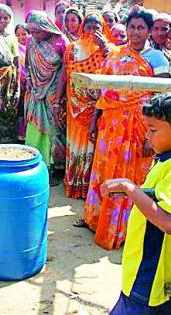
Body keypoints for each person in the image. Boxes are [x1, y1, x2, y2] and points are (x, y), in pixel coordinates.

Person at [82, 10, 170, 250]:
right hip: (110, 125)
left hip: (140, 126)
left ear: (149, 31)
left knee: (131, 174)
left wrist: (152, 137)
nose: (135, 32)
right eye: (132, 27)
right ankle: (96, 219)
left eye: (141, 27)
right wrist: (94, 121)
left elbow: (161, 101)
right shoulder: (116, 54)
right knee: (103, 169)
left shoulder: (157, 59)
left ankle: (121, 228)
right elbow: (104, 92)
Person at [103, 93, 171, 314]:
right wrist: (133, 192)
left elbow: (168, 222)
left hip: (149, 272)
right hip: (147, 269)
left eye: (153, 130)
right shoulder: (163, 159)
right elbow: (159, 197)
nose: (147, 135)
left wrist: (130, 188)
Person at [64, 14, 112, 200]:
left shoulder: (110, 50)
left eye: (96, 26)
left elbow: (111, 75)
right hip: (74, 107)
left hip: (96, 109)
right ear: (83, 28)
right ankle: (74, 183)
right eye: (88, 26)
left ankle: (88, 188)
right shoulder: (72, 49)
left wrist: (104, 48)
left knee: (93, 147)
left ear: (103, 28)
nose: (92, 31)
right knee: (75, 146)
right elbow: (64, 75)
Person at [25, 10, 69, 186]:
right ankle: (34, 162)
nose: (34, 35)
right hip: (35, 92)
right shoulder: (31, 41)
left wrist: (58, 99)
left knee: (55, 130)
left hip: (54, 92)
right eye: (32, 31)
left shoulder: (62, 42)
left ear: (46, 27)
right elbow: (28, 64)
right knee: (35, 128)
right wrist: (29, 80)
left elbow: (66, 72)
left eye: (37, 31)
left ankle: (55, 168)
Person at [0, 4, 20, 144]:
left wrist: (18, 87)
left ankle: (9, 146)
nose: (2, 20)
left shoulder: (12, 38)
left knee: (10, 113)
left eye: (6, 17)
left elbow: (17, 64)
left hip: (11, 83)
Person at [15, 23, 30, 143]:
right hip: (19, 86)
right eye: (18, 35)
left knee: (29, 111)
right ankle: (20, 136)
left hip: (31, 86)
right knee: (20, 112)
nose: (21, 37)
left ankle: (28, 135)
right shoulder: (15, 48)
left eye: (24, 34)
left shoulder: (33, 48)